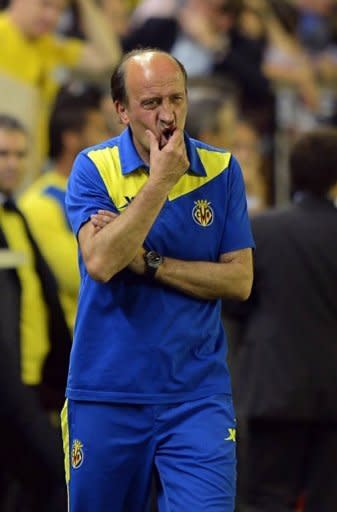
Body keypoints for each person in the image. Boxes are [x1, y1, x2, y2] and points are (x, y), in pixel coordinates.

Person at [62, 48, 255, 512]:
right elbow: (103, 261)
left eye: (177, 99)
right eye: (150, 104)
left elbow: (239, 281)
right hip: (105, 392)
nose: (167, 115)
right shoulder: (93, 168)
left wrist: (151, 263)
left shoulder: (222, 170)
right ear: (122, 110)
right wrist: (159, 183)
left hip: (196, 396)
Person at [223, 128, 337, 511]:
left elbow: (236, 304)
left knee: (268, 497)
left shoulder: (263, 232)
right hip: (333, 395)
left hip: (274, 391)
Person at [0, 114, 72, 510]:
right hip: (9, 387)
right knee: (56, 475)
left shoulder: (17, 216)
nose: (12, 163)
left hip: (31, 383)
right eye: (3, 154)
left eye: (19, 154)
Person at [20, 85, 110, 332]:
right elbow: (78, 274)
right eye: (100, 131)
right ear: (71, 139)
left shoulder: (110, 190)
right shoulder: (40, 202)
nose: (110, 140)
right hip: (75, 340)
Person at [0, 0, 122, 176]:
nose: (52, 17)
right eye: (45, 5)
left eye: (60, 9)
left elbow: (108, 59)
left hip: (26, 172)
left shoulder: (50, 47)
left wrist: (83, 3)